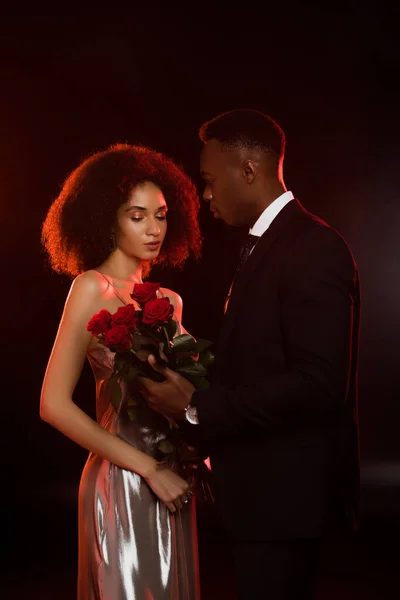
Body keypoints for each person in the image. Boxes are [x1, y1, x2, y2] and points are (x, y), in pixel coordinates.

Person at [139, 109, 361, 600]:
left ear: (248, 171)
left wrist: (197, 406)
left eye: (210, 179)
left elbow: (321, 383)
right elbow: (259, 362)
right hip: (264, 498)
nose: (206, 195)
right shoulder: (268, 246)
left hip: (287, 501)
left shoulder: (312, 247)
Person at [40, 143, 203, 600]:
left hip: (175, 483)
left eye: (162, 215)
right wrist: (150, 469)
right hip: (124, 483)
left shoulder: (169, 301)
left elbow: (189, 398)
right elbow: (52, 404)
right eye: (137, 215)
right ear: (107, 218)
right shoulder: (90, 287)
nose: (153, 229)